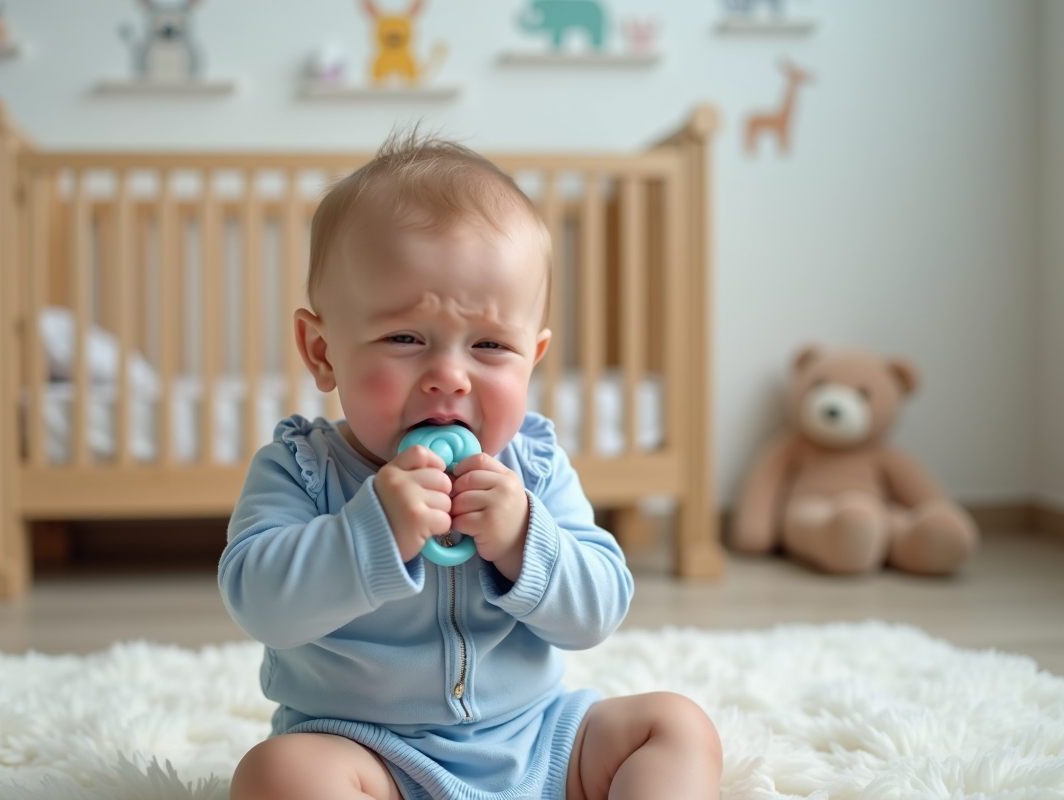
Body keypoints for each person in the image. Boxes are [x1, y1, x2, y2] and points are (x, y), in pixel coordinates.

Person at [218, 131, 723, 800]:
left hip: (540, 741)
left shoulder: (533, 467)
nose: (448, 377)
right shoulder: (303, 468)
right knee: (276, 775)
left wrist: (524, 540)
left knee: (676, 725)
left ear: (532, 358)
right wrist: (373, 533)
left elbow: (598, 610)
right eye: (405, 338)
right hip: (369, 755)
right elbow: (260, 604)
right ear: (321, 350)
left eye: (489, 345)